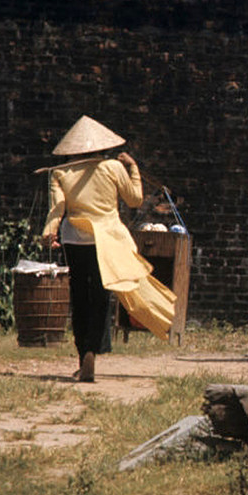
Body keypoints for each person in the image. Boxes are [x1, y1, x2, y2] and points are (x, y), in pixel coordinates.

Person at [41, 116, 176, 382]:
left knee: (79, 297)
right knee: (101, 297)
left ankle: (83, 355)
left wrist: (49, 233)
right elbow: (135, 199)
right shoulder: (114, 167)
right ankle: (93, 349)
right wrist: (133, 168)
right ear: (101, 147)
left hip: (74, 239)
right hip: (107, 239)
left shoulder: (59, 173)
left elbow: (57, 209)